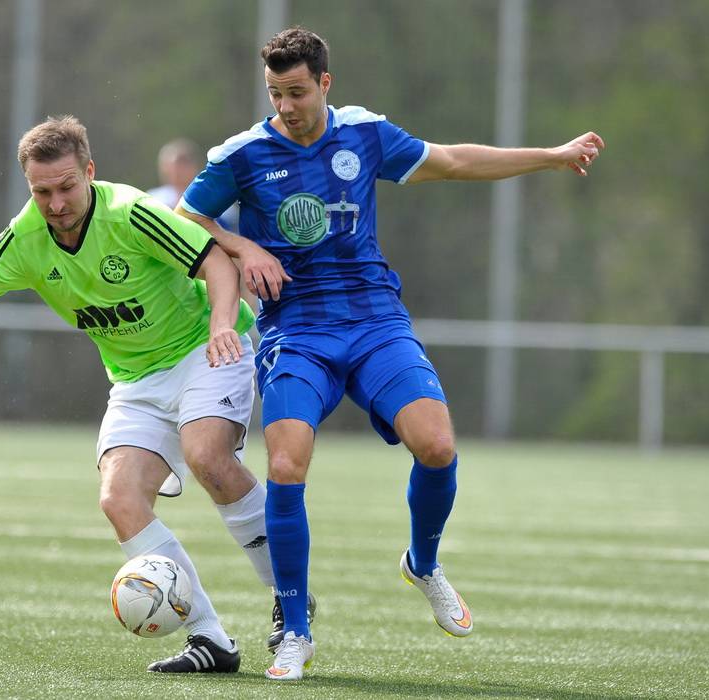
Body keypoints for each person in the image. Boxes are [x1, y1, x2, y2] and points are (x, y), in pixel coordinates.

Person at [176, 28, 605, 681]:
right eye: (274, 93)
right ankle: (294, 629)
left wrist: (551, 155)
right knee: (287, 465)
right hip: (298, 330)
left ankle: (423, 563)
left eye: (296, 92)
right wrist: (244, 248)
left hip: (376, 321)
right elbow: (188, 215)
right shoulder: (243, 155)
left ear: (325, 83)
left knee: (436, 446)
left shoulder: (364, 134)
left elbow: (455, 161)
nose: (286, 106)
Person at [0, 115, 281, 674]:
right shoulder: (25, 239)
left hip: (207, 347)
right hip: (136, 380)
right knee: (118, 500)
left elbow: (217, 263)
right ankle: (211, 640)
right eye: (42, 191)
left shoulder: (131, 213)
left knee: (207, 459)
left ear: (89, 172)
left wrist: (224, 323)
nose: (55, 202)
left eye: (67, 186)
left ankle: (289, 596)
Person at [148, 138, 239, 233]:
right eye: (167, 166)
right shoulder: (154, 200)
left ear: (193, 167)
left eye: (180, 166)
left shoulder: (217, 201)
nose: (173, 172)